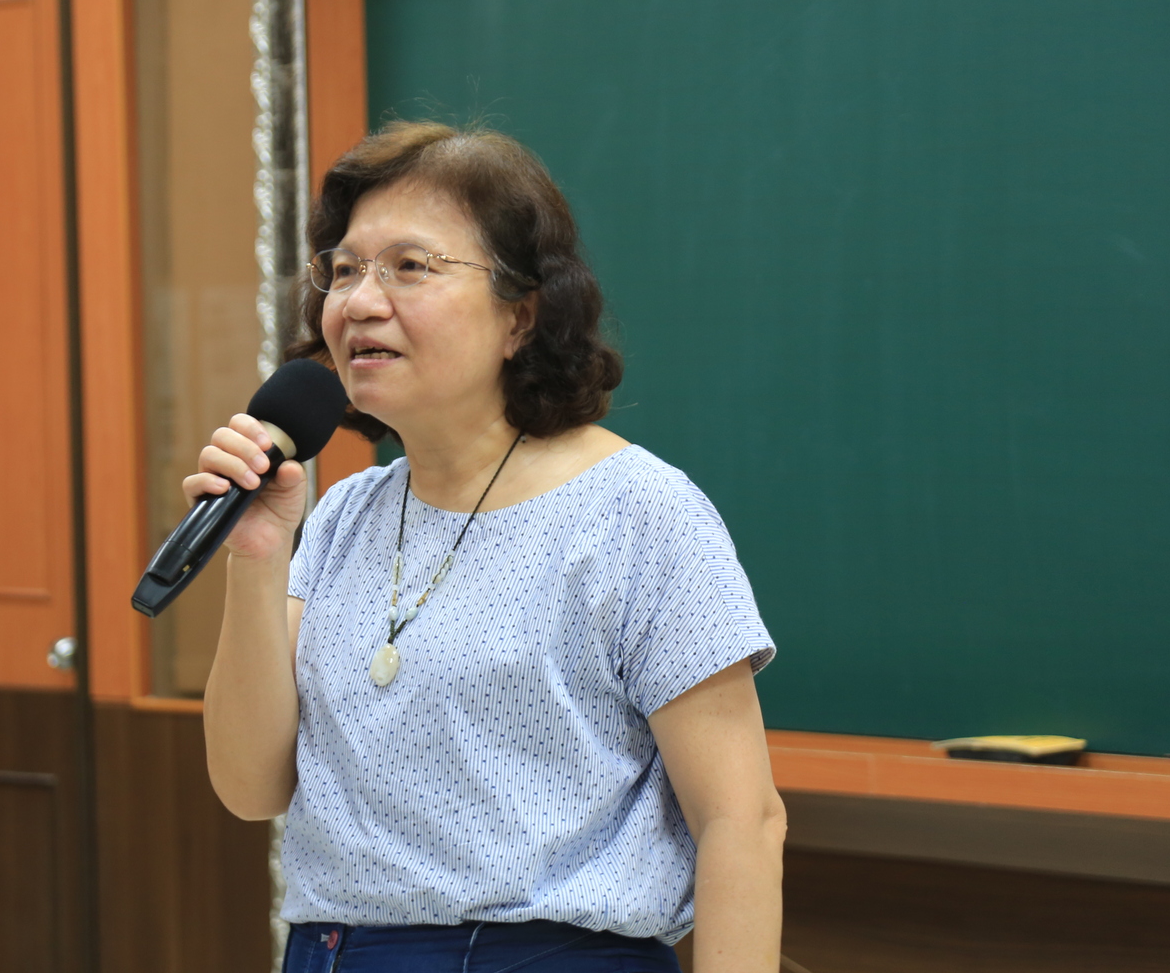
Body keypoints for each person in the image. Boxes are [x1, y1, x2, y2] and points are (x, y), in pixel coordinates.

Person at [194, 121, 783, 972]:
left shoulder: (639, 514)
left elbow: (741, 821)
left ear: (521, 315)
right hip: (329, 953)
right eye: (346, 268)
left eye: (410, 266)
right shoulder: (343, 515)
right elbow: (251, 788)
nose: (360, 299)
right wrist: (256, 555)